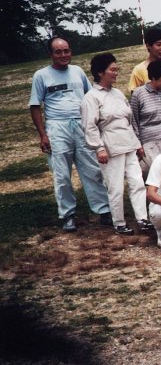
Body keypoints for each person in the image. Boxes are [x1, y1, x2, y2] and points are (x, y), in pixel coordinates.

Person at [28, 37, 111, 232]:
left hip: (81, 124)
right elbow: (35, 106)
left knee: (92, 170)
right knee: (62, 175)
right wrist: (43, 135)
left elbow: (91, 97)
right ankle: (67, 215)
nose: (64, 55)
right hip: (57, 128)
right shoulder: (41, 75)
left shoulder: (78, 71)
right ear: (51, 54)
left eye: (66, 50)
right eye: (58, 52)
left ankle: (104, 210)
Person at [82, 53, 153, 235]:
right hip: (110, 147)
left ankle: (142, 219)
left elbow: (127, 122)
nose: (116, 72)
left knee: (137, 182)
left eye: (116, 69)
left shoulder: (118, 93)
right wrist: (99, 148)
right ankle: (119, 223)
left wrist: (137, 144)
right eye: (112, 69)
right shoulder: (91, 97)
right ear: (100, 72)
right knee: (115, 187)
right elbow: (90, 126)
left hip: (128, 143)